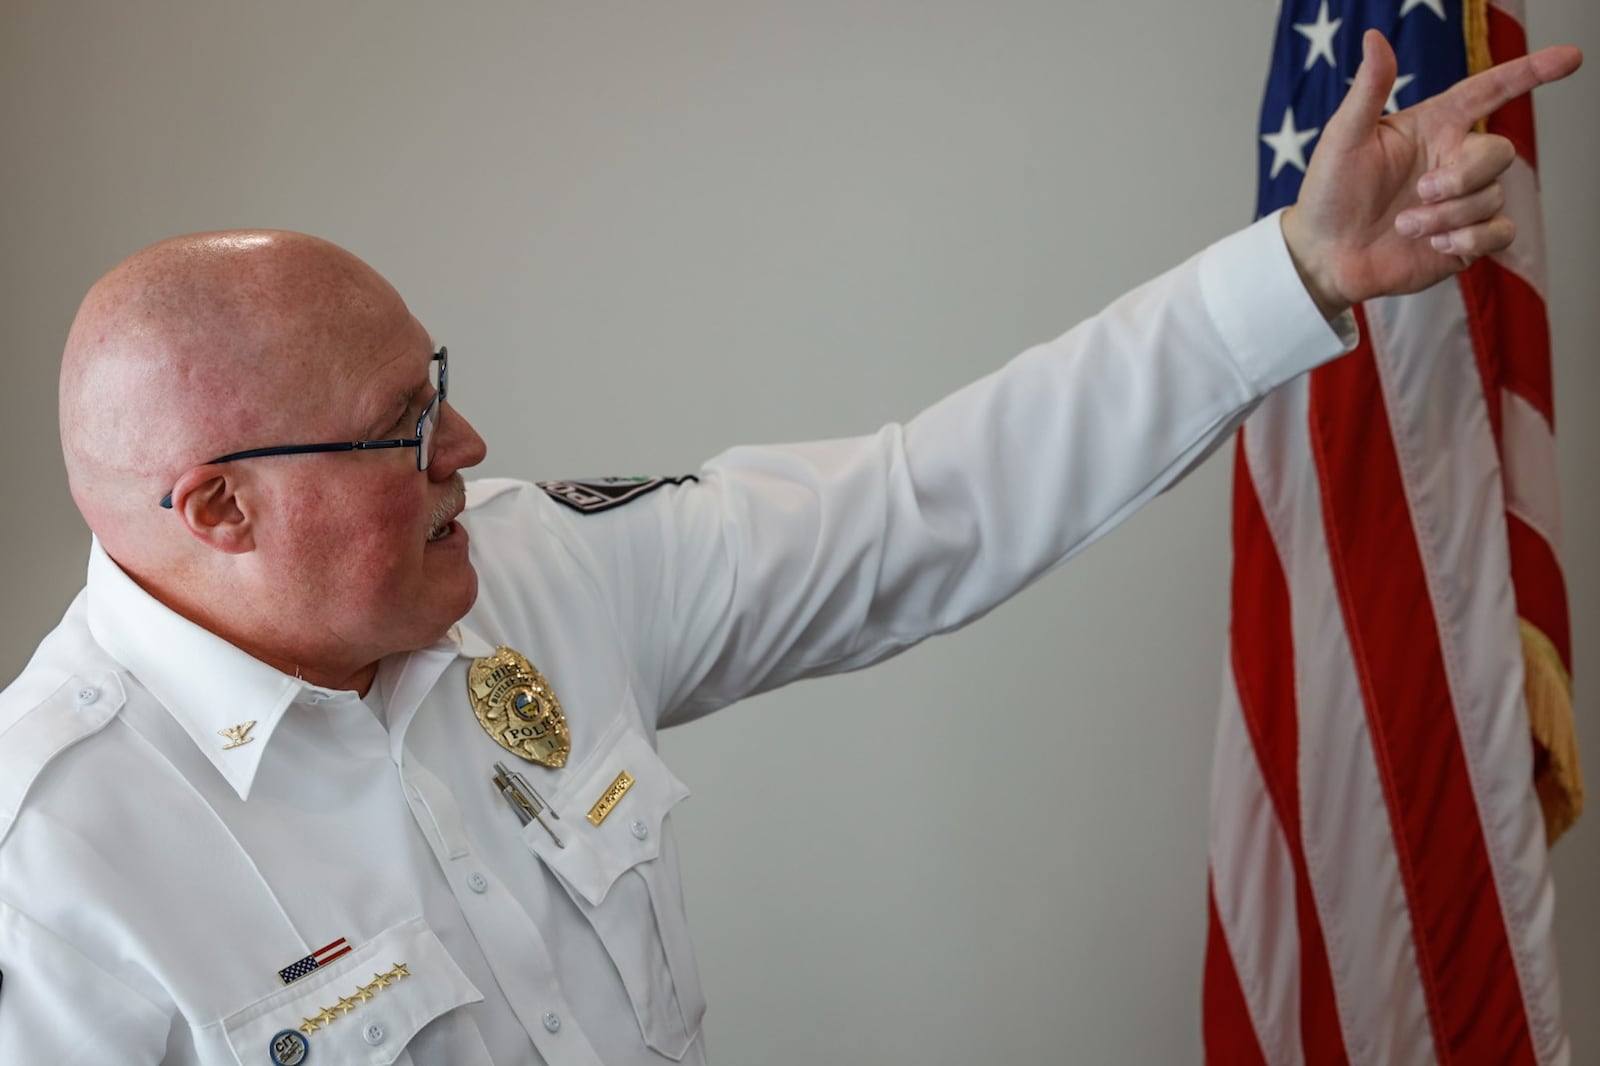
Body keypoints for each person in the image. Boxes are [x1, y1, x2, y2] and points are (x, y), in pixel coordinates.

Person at [0, 31, 1580, 1066]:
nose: (471, 453)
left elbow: (928, 501)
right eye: (405, 425)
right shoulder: (54, 864)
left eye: (446, 393)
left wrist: (1291, 274)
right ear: (217, 508)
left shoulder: (533, 572)